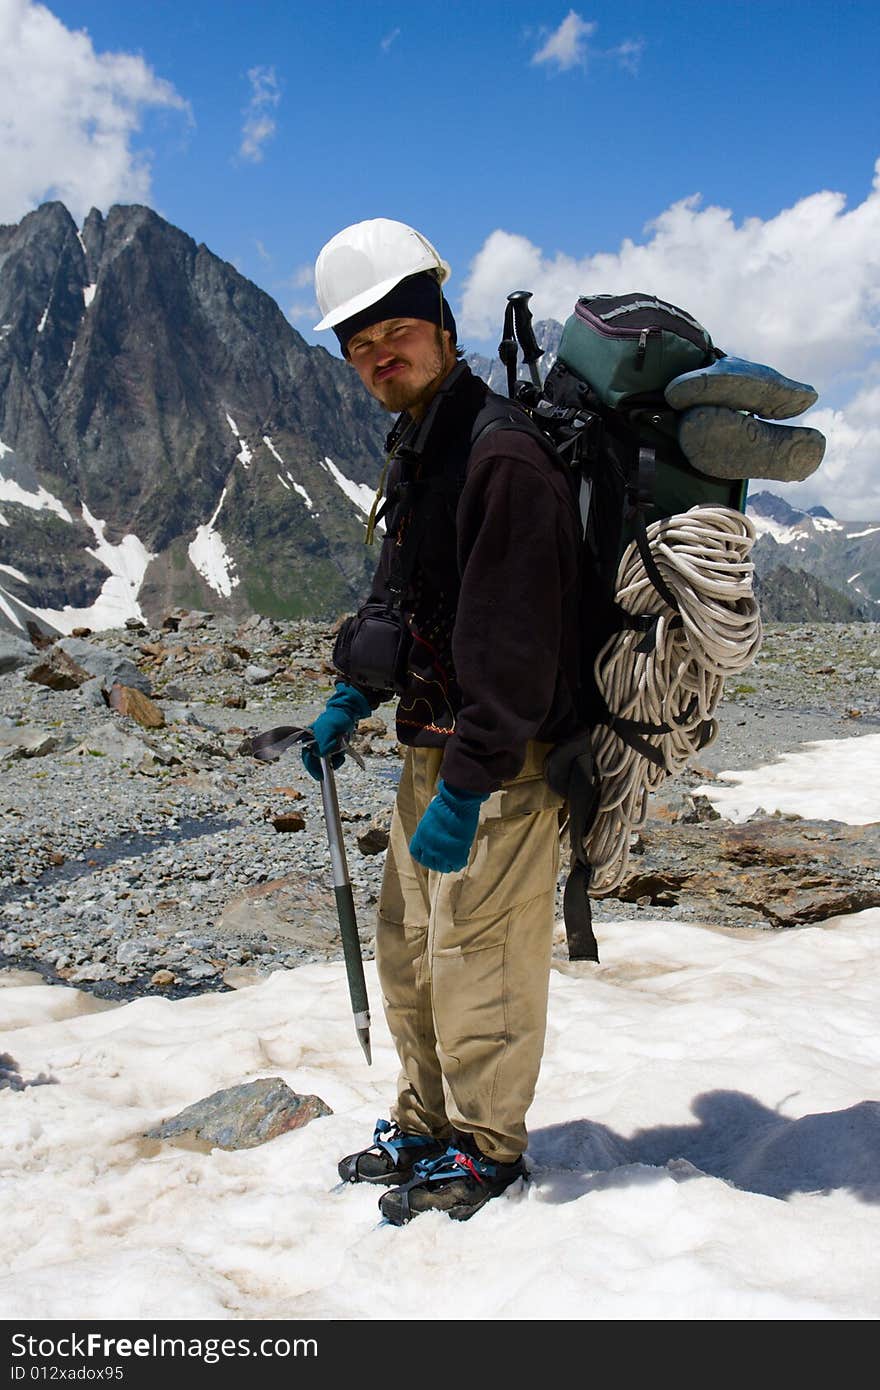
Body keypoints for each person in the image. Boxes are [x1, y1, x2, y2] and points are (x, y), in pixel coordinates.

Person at [306, 218, 582, 1225]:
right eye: (358, 343)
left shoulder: (499, 452)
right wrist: (354, 691)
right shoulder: (420, 442)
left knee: (480, 958)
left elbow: (516, 647)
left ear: (438, 321)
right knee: (409, 948)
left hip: (501, 767)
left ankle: (488, 1146)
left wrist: (469, 785)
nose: (378, 354)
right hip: (432, 745)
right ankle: (422, 1121)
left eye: (394, 331)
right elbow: (402, 590)